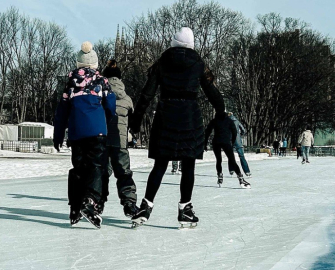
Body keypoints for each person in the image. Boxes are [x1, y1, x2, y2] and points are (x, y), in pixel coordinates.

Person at [128, 27, 226, 228]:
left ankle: (146, 206)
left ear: (174, 42)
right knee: (188, 164)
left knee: (160, 164)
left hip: (166, 116)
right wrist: (221, 111)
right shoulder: (198, 64)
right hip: (190, 118)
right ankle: (185, 210)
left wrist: (136, 120)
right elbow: (212, 91)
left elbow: (147, 94)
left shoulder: (162, 62)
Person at [53, 42, 116, 228]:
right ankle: (90, 201)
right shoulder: (102, 80)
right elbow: (111, 105)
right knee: (96, 165)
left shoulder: (71, 82)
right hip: (97, 130)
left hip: (77, 131)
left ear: (78, 63)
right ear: (95, 63)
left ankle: (75, 208)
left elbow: (62, 111)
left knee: (79, 168)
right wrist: (106, 119)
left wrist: (58, 135)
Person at [100, 60, 138, 218]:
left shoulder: (100, 94)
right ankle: (129, 203)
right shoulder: (127, 99)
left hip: (103, 140)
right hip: (121, 143)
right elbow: (133, 121)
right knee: (124, 173)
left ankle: (97, 203)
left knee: (102, 173)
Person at [205, 111, 251, 188]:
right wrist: (232, 141)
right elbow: (235, 132)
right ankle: (240, 178)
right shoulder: (229, 121)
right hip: (226, 142)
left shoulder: (214, 120)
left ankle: (220, 175)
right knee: (232, 160)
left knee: (218, 160)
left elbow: (207, 131)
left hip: (216, 142)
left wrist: (205, 143)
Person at [227, 111, 251, 176]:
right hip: (238, 141)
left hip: (230, 141)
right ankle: (247, 171)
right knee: (241, 156)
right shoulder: (237, 121)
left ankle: (231, 170)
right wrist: (239, 135)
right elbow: (243, 130)